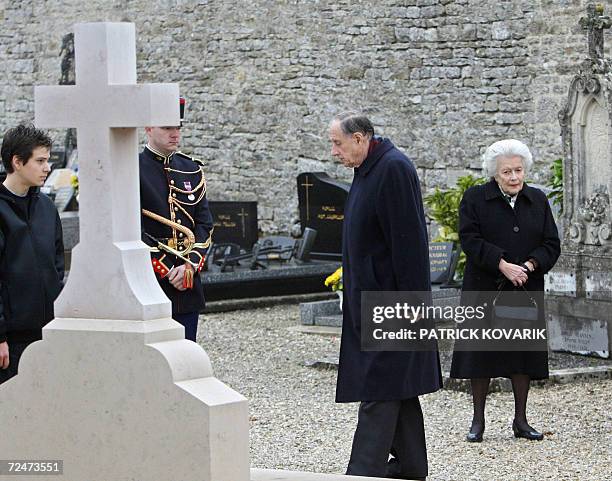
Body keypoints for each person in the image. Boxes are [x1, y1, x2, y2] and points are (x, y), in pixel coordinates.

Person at [331, 112, 442, 480]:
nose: (334, 152)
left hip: (393, 306)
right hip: (372, 302)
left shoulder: (393, 169)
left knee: (379, 388)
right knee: (397, 388)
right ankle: (411, 468)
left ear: (360, 139)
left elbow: (409, 245)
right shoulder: (368, 169)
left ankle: (361, 473)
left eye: (338, 143)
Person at [450, 139, 561, 442]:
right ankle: (477, 422)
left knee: (521, 356)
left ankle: (521, 421)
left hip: (524, 288)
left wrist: (529, 265)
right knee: (481, 356)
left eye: (518, 171)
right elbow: (469, 238)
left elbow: (551, 243)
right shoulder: (474, 198)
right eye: (507, 172)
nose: (514, 177)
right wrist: (502, 263)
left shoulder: (537, 199)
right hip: (484, 288)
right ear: (494, 174)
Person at [140, 98, 213, 342]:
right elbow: (132, 229)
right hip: (151, 280)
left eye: (178, 128)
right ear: (148, 128)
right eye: (167, 128)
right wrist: (168, 269)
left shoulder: (190, 168)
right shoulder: (132, 169)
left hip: (188, 281)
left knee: (186, 357)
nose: (175, 134)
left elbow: (204, 225)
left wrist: (190, 266)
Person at [0, 124, 65, 385]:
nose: (47, 167)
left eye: (47, 160)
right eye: (40, 161)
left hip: (48, 333)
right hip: (10, 340)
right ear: (17, 161)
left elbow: (57, 263)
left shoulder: (47, 208)